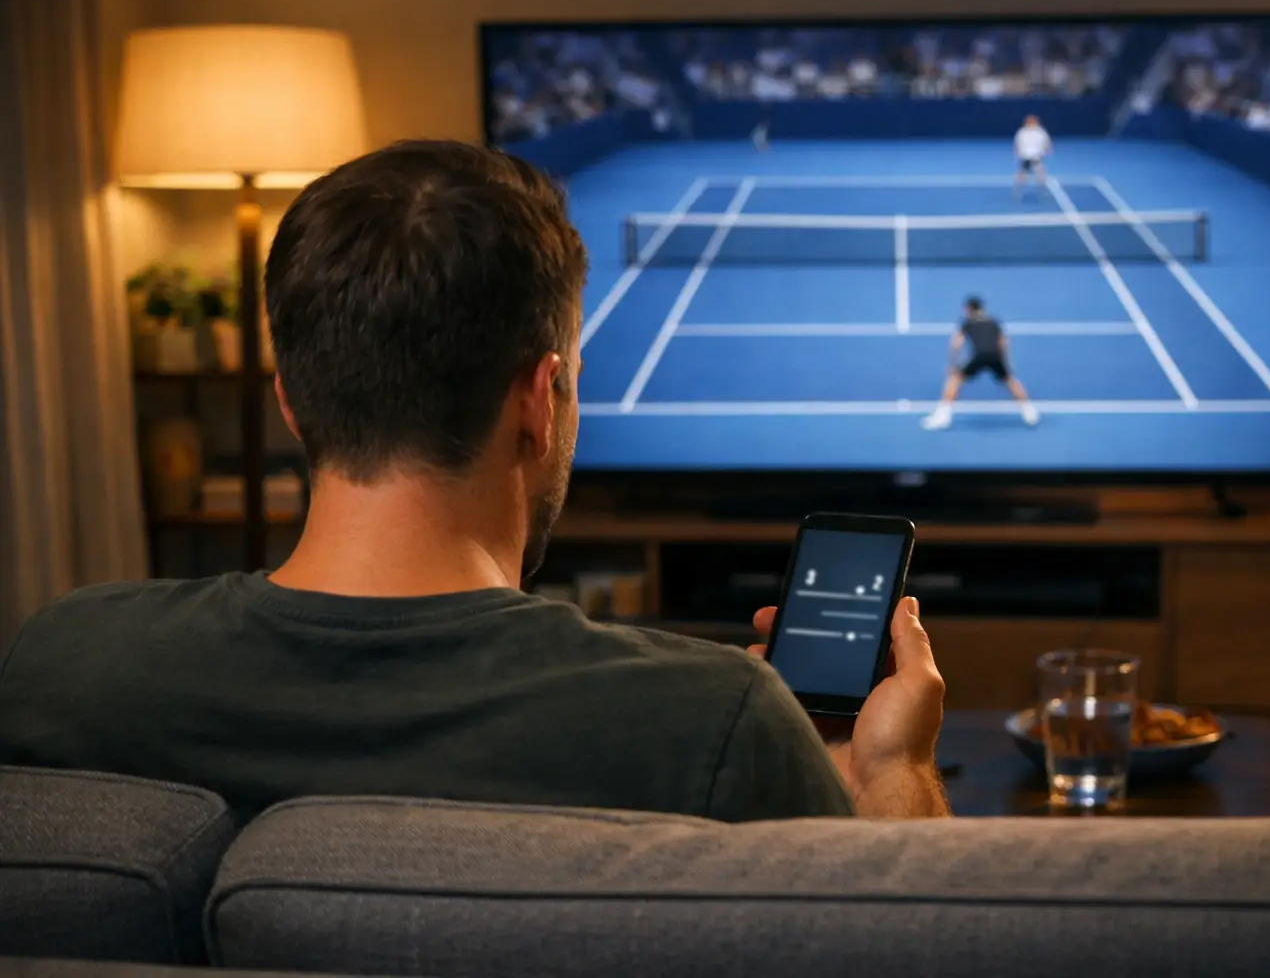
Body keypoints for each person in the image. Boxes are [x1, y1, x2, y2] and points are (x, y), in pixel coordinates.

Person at [0, 140, 949, 825]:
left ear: (290, 401)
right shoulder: (717, 726)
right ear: (542, 397)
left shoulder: (59, 669)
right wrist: (889, 773)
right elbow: (895, 945)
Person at [921, 295, 1040, 430]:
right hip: (996, 356)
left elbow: (956, 344)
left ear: (968, 309)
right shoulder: (994, 322)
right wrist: (1005, 362)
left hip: (979, 356)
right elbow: (1004, 343)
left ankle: (943, 417)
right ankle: (1030, 412)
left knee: (954, 379)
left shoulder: (967, 323)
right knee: (1010, 381)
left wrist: (953, 364)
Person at [1012, 113, 1053, 198]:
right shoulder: (1022, 132)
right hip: (1026, 155)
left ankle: (1042, 185)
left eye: (1034, 122)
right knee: (1023, 171)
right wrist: (1017, 151)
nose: (1032, 123)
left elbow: (1046, 141)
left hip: (1037, 155)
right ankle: (1017, 187)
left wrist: (1048, 149)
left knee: (1040, 170)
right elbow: (1017, 142)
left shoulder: (1041, 132)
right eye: (1030, 122)